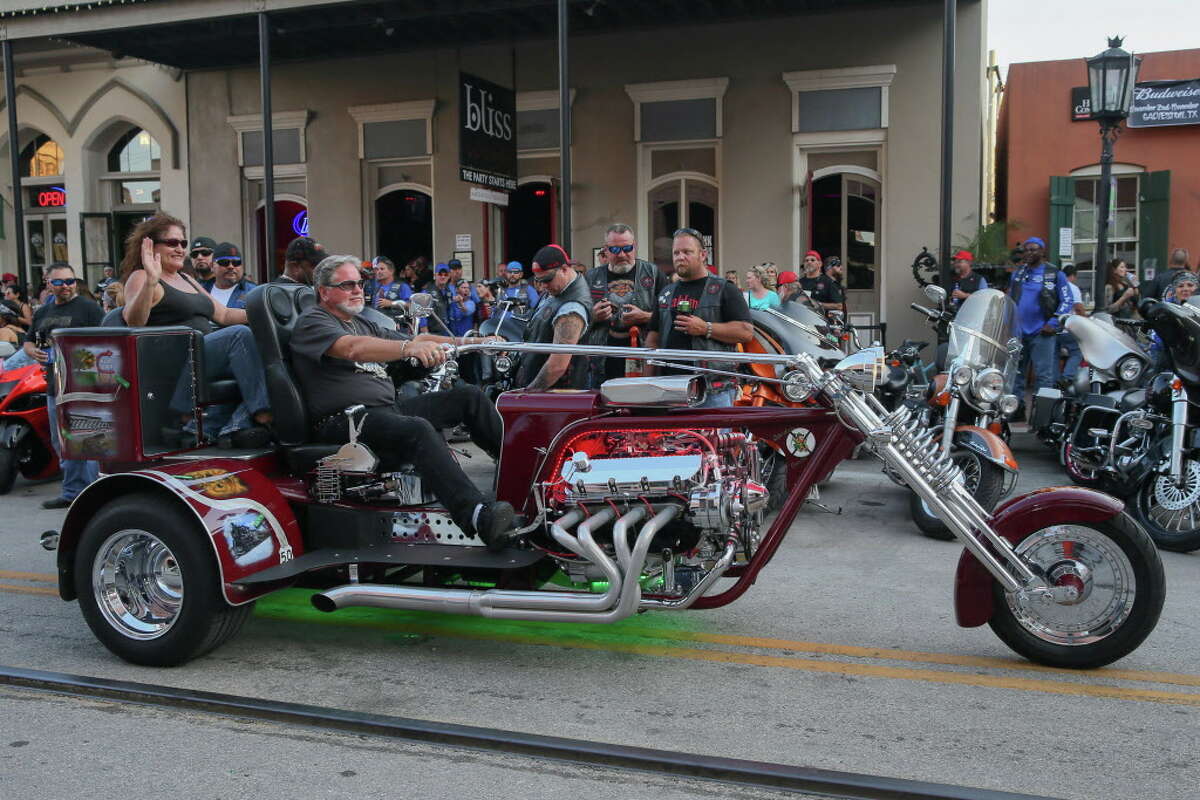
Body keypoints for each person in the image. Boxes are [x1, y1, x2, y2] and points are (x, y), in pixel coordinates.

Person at [289, 255, 518, 550]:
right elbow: (352, 348)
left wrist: (471, 343)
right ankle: (476, 516)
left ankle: (524, 481)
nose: (358, 289)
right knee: (417, 428)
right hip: (345, 421)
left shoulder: (362, 323)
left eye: (360, 283)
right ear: (323, 291)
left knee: (468, 396)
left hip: (383, 412)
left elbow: (419, 338)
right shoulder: (314, 321)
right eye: (347, 285)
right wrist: (407, 347)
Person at [121, 213, 273, 445]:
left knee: (272, 357)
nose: (180, 248)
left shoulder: (187, 279)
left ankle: (229, 428)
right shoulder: (141, 277)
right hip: (177, 358)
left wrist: (269, 312)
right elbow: (134, 321)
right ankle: (264, 414)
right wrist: (151, 281)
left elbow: (224, 315)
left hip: (205, 354)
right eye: (172, 243)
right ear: (150, 246)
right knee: (240, 336)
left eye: (183, 243)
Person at [23, 263, 104, 509]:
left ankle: (93, 495)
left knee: (88, 440)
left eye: (70, 281)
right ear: (49, 284)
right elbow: (28, 341)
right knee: (62, 442)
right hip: (54, 385)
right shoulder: (42, 312)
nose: (66, 286)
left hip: (84, 384)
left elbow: (105, 341)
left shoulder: (90, 309)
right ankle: (71, 493)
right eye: (59, 282)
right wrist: (32, 351)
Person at [644, 228, 753, 407]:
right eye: (676, 252)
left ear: (703, 254)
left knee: (713, 437)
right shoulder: (666, 293)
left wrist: (705, 328)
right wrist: (647, 384)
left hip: (712, 390)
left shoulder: (725, 289)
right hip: (669, 390)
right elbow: (652, 341)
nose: (680, 257)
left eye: (687, 252)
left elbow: (746, 332)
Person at [582, 223, 668, 386]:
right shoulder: (591, 278)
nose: (621, 254)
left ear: (634, 246)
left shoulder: (654, 274)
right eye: (615, 250)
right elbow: (576, 319)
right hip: (602, 361)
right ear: (605, 250)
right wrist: (592, 316)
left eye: (627, 248)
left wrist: (645, 317)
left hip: (644, 357)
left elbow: (669, 315)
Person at [1007, 237, 1073, 419]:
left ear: (1042, 252)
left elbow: (1067, 300)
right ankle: (1015, 411)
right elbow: (1010, 299)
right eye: (1026, 250)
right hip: (1019, 333)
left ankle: (1043, 416)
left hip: (1042, 332)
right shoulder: (1018, 273)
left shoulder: (1054, 273)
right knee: (1016, 375)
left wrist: (1053, 323)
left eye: (1033, 250)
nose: (1029, 253)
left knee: (1044, 376)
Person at [515, 244, 591, 391]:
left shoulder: (572, 308)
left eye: (548, 279)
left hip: (555, 395)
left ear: (564, 269)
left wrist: (529, 392)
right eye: (539, 281)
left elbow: (557, 366)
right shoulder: (557, 290)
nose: (544, 286)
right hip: (542, 389)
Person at [201, 242, 256, 310]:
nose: (231, 266)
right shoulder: (201, 290)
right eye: (224, 262)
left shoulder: (254, 292)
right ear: (212, 266)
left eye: (236, 262)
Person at [1058, 264, 1087, 382]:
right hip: (1067, 329)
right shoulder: (1072, 288)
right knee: (1077, 351)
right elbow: (1078, 308)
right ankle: (1067, 377)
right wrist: (1086, 322)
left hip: (1053, 328)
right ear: (1073, 276)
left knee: (1054, 355)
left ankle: (1054, 381)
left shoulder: (1055, 286)